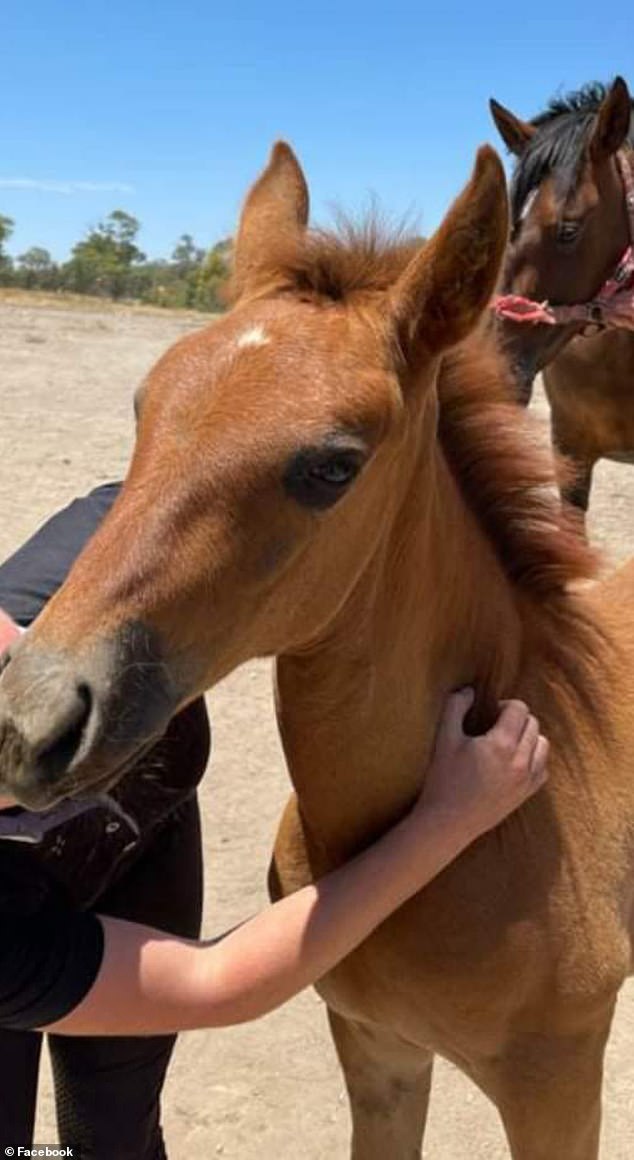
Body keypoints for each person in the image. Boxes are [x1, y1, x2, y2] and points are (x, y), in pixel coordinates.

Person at [0, 485, 549, 1158]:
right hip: (19, 940)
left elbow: (254, 505)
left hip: (139, 844)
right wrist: (448, 820)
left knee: (115, 1130)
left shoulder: (83, 579)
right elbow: (219, 980)